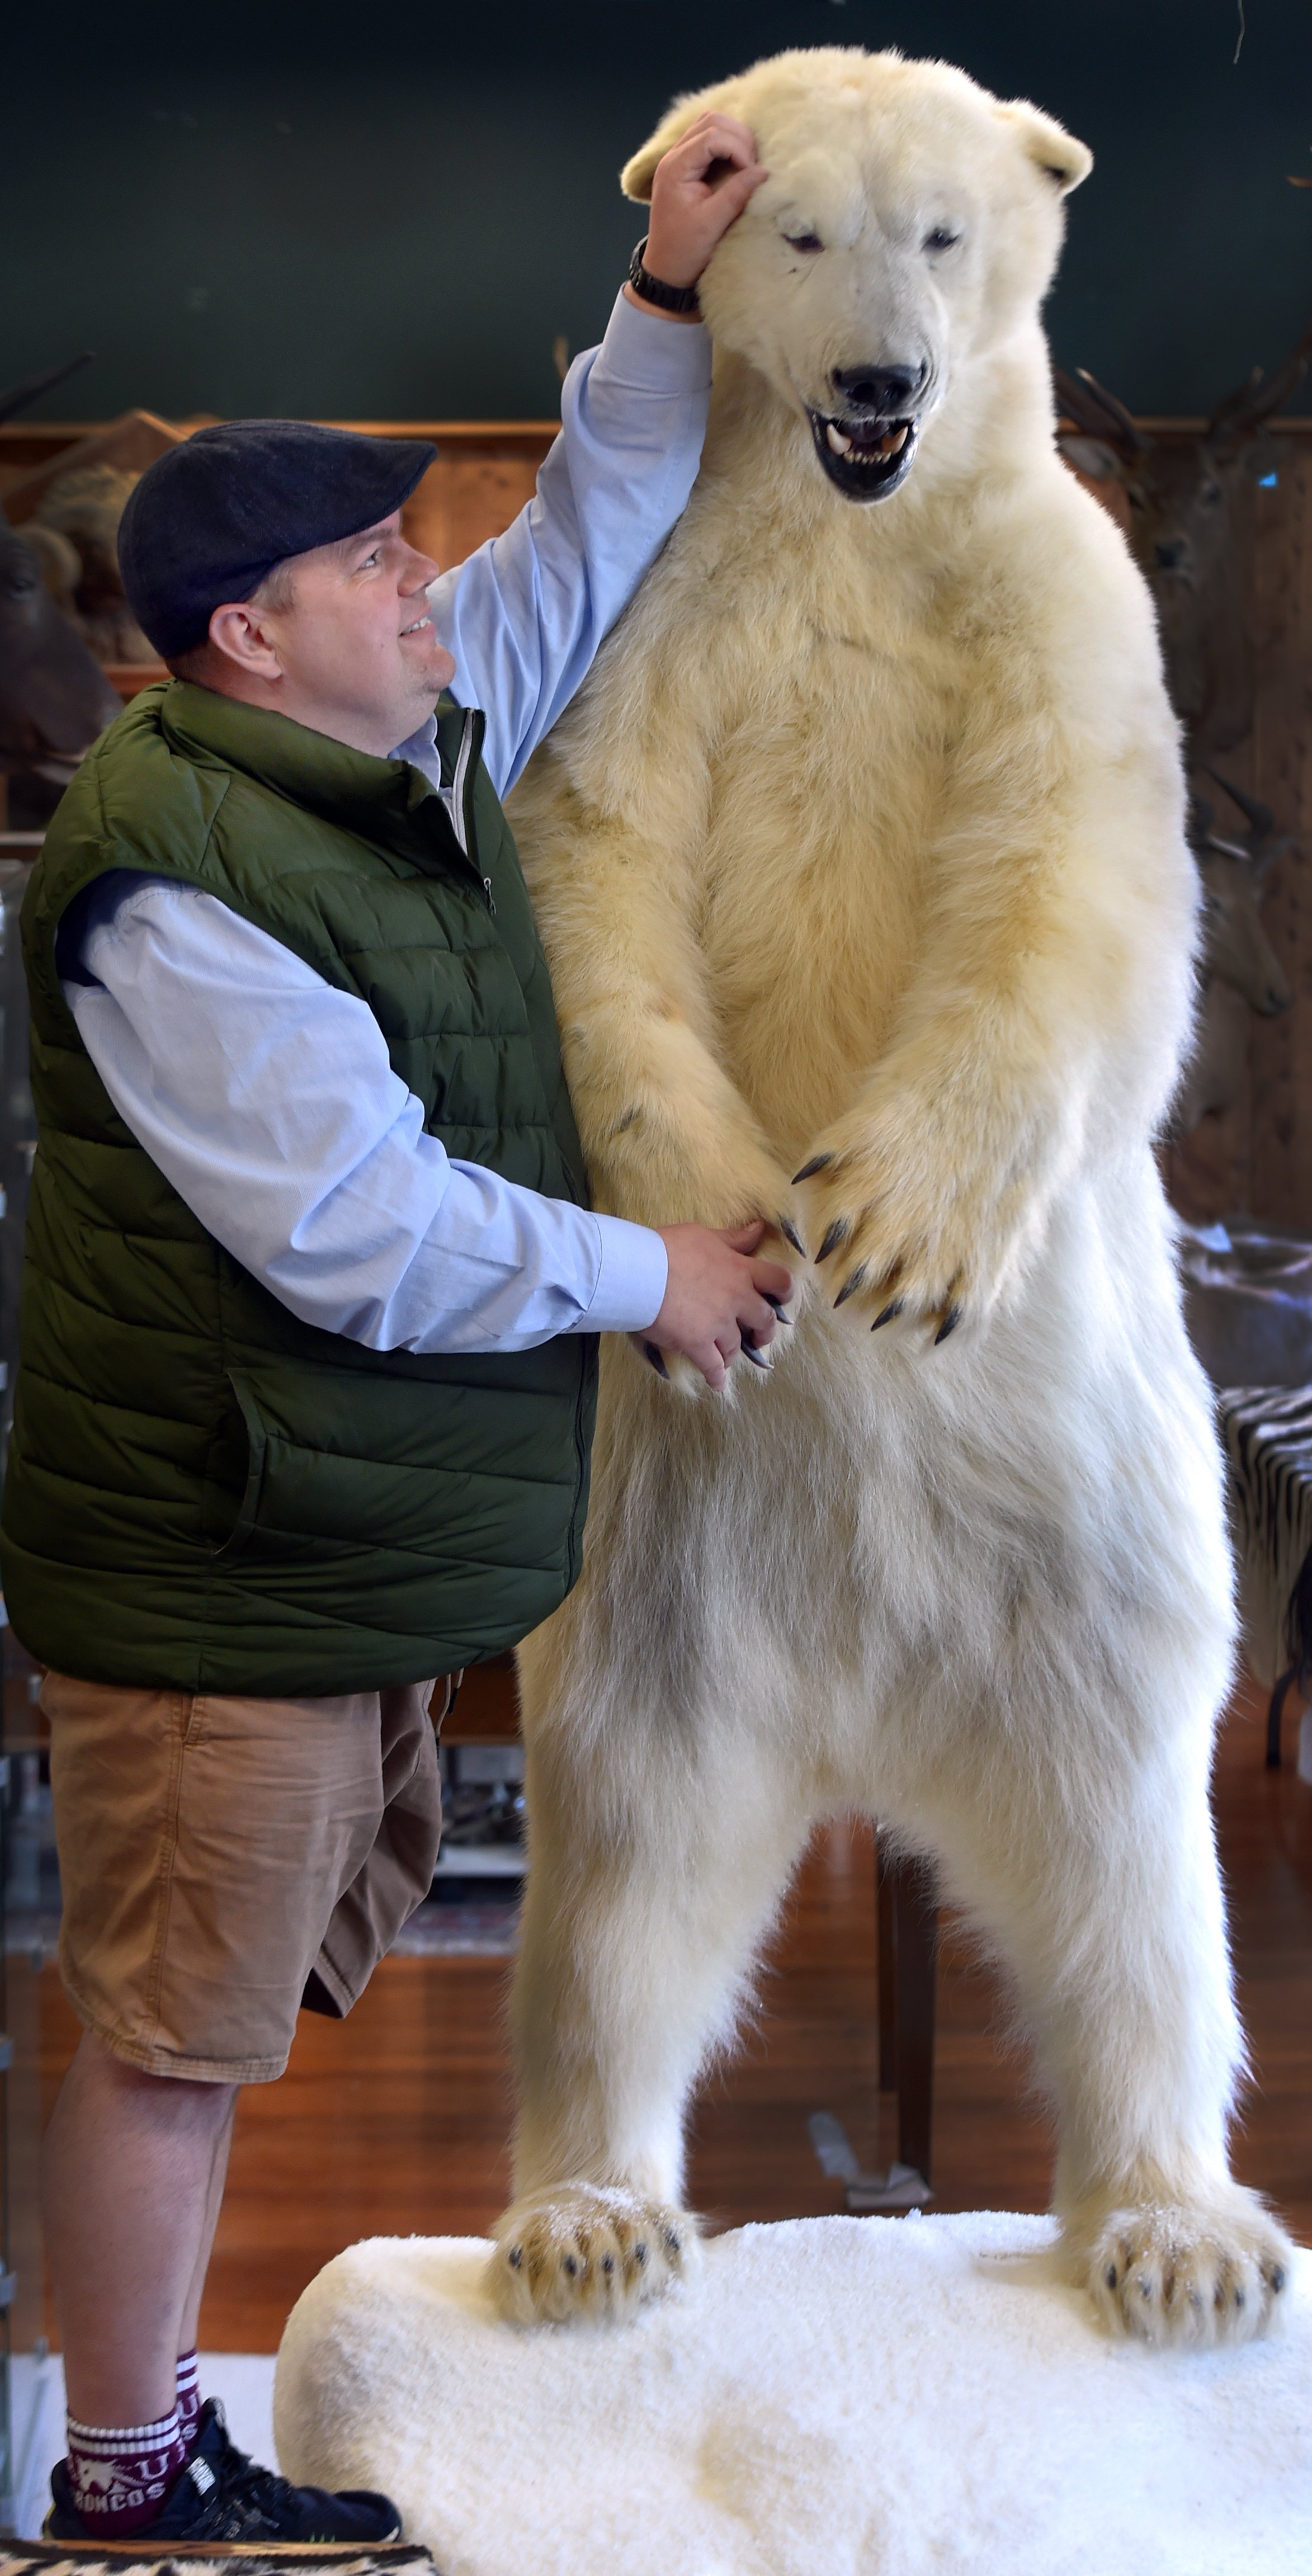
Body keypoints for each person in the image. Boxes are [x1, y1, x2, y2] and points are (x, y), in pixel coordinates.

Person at [2, 114, 791, 2545]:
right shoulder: (178, 886)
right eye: (368, 557)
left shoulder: (391, 751)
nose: (420, 571)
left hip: (312, 1542)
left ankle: (143, 2435)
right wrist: (642, 1275)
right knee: (165, 2034)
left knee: (202, 2021)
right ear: (251, 635)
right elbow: (355, 1233)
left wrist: (659, 295)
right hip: (219, 1568)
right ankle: (122, 2479)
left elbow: (585, 530)